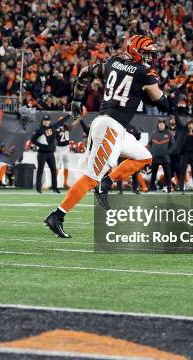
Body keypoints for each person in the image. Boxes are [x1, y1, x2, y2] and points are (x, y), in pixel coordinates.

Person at [44, 35, 170, 238]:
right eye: (146, 53)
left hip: (114, 127)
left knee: (144, 157)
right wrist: (156, 97)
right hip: (109, 127)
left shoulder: (113, 62)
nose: (150, 58)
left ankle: (107, 182)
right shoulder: (145, 72)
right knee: (91, 177)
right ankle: (57, 216)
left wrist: (77, 100)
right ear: (136, 51)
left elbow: (85, 72)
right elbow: (161, 101)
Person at [31, 115, 63, 193]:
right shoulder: (39, 130)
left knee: (53, 170)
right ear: (42, 121)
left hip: (50, 153)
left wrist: (69, 114)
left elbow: (61, 122)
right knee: (40, 170)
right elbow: (33, 140)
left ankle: (55, 188)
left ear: (50, 121)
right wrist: (41, 145)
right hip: (42, 153)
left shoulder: (52, 128)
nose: (46, 121)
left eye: (47, 120)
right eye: (44, 120)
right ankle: (38, 188)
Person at [148, 118, 173, 192]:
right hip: (155, 157)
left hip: (165, 157)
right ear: (158, 124)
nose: (161, 124)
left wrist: (168, 152)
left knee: (168, 174)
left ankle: (168, 187)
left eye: (162, 123)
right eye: (160, 123)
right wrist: (151, 153)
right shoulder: (153, 133)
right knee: (153, 174)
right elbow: (150, 144)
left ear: (165, 125)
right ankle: (152, 187)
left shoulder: (169, 133)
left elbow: (173, 145)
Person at [54, 117, 72, 188]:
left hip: (65, 148)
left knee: (65, 166)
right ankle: (55, 182)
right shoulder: (63, 127)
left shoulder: (64, 127)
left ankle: (65, 183)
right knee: (58, 166)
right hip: (61, 148)